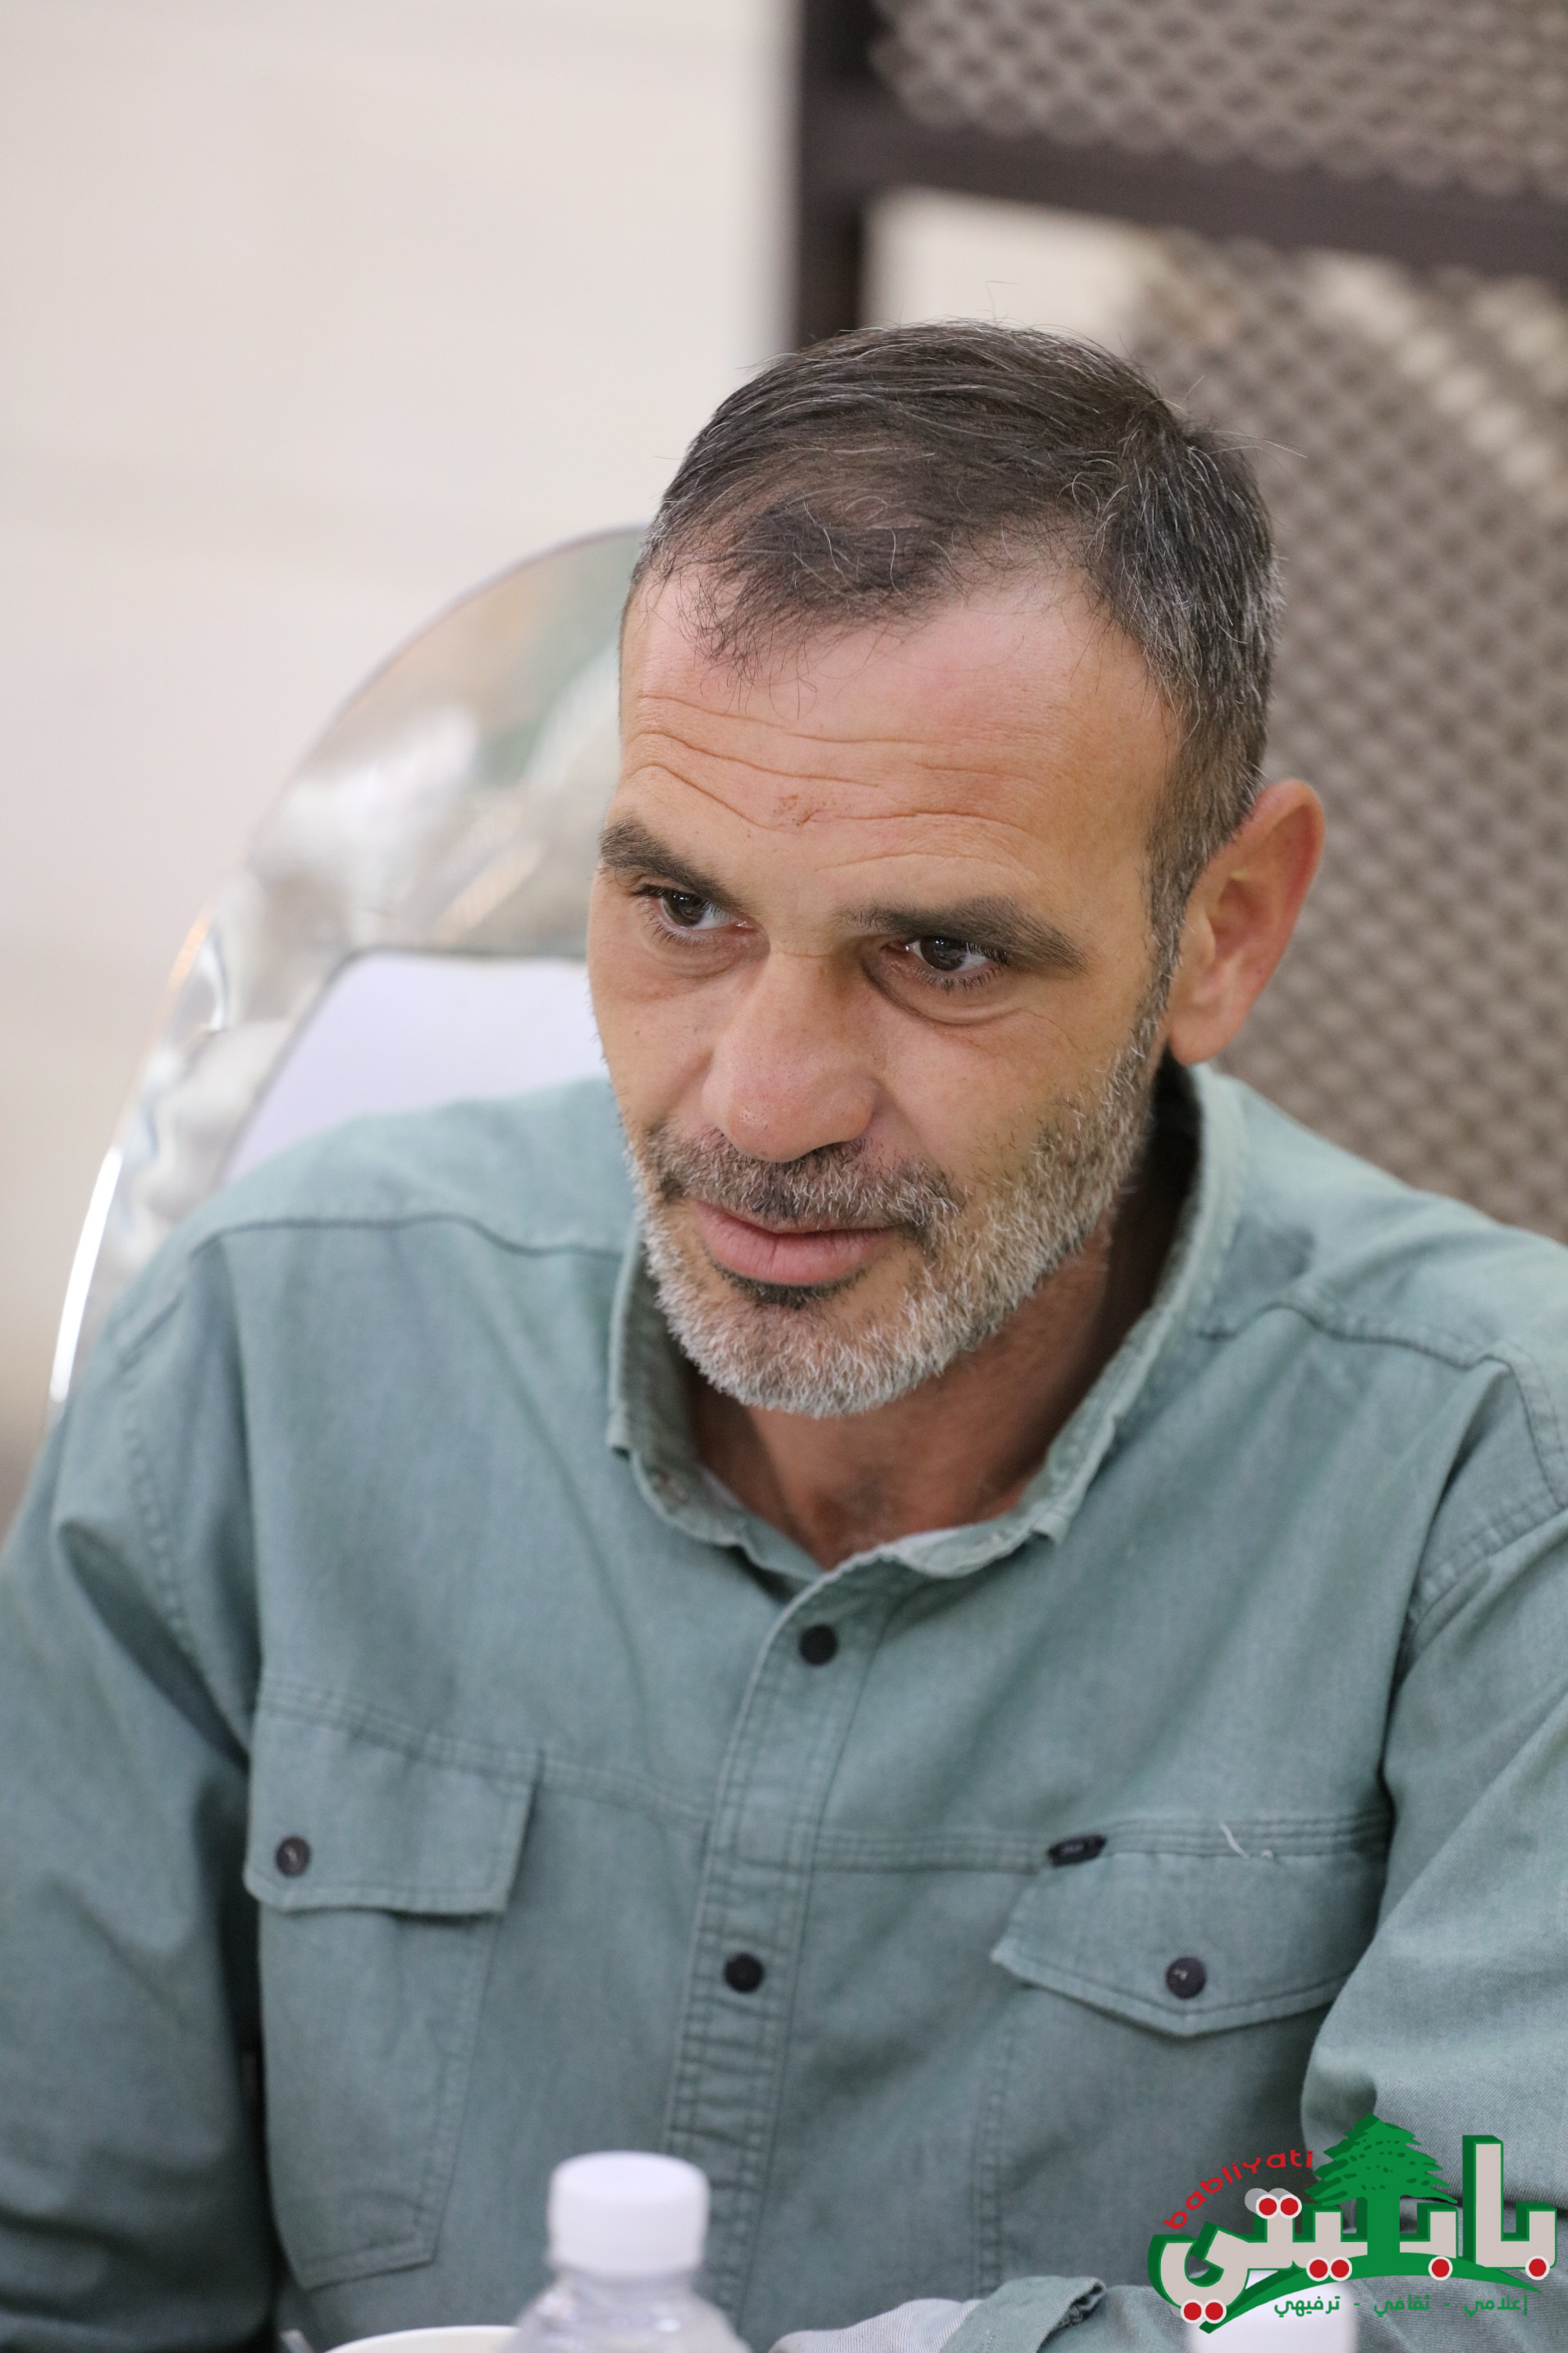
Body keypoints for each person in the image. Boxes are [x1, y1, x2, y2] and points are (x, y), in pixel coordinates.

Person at [1, 324, 1563, 2353]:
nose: (757, 1102)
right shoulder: (267, 1351)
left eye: (938, 953)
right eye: (682, 910)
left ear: (1224, 927)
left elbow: (1478, 2269)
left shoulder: (1493, 1480)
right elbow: (55, 2283)